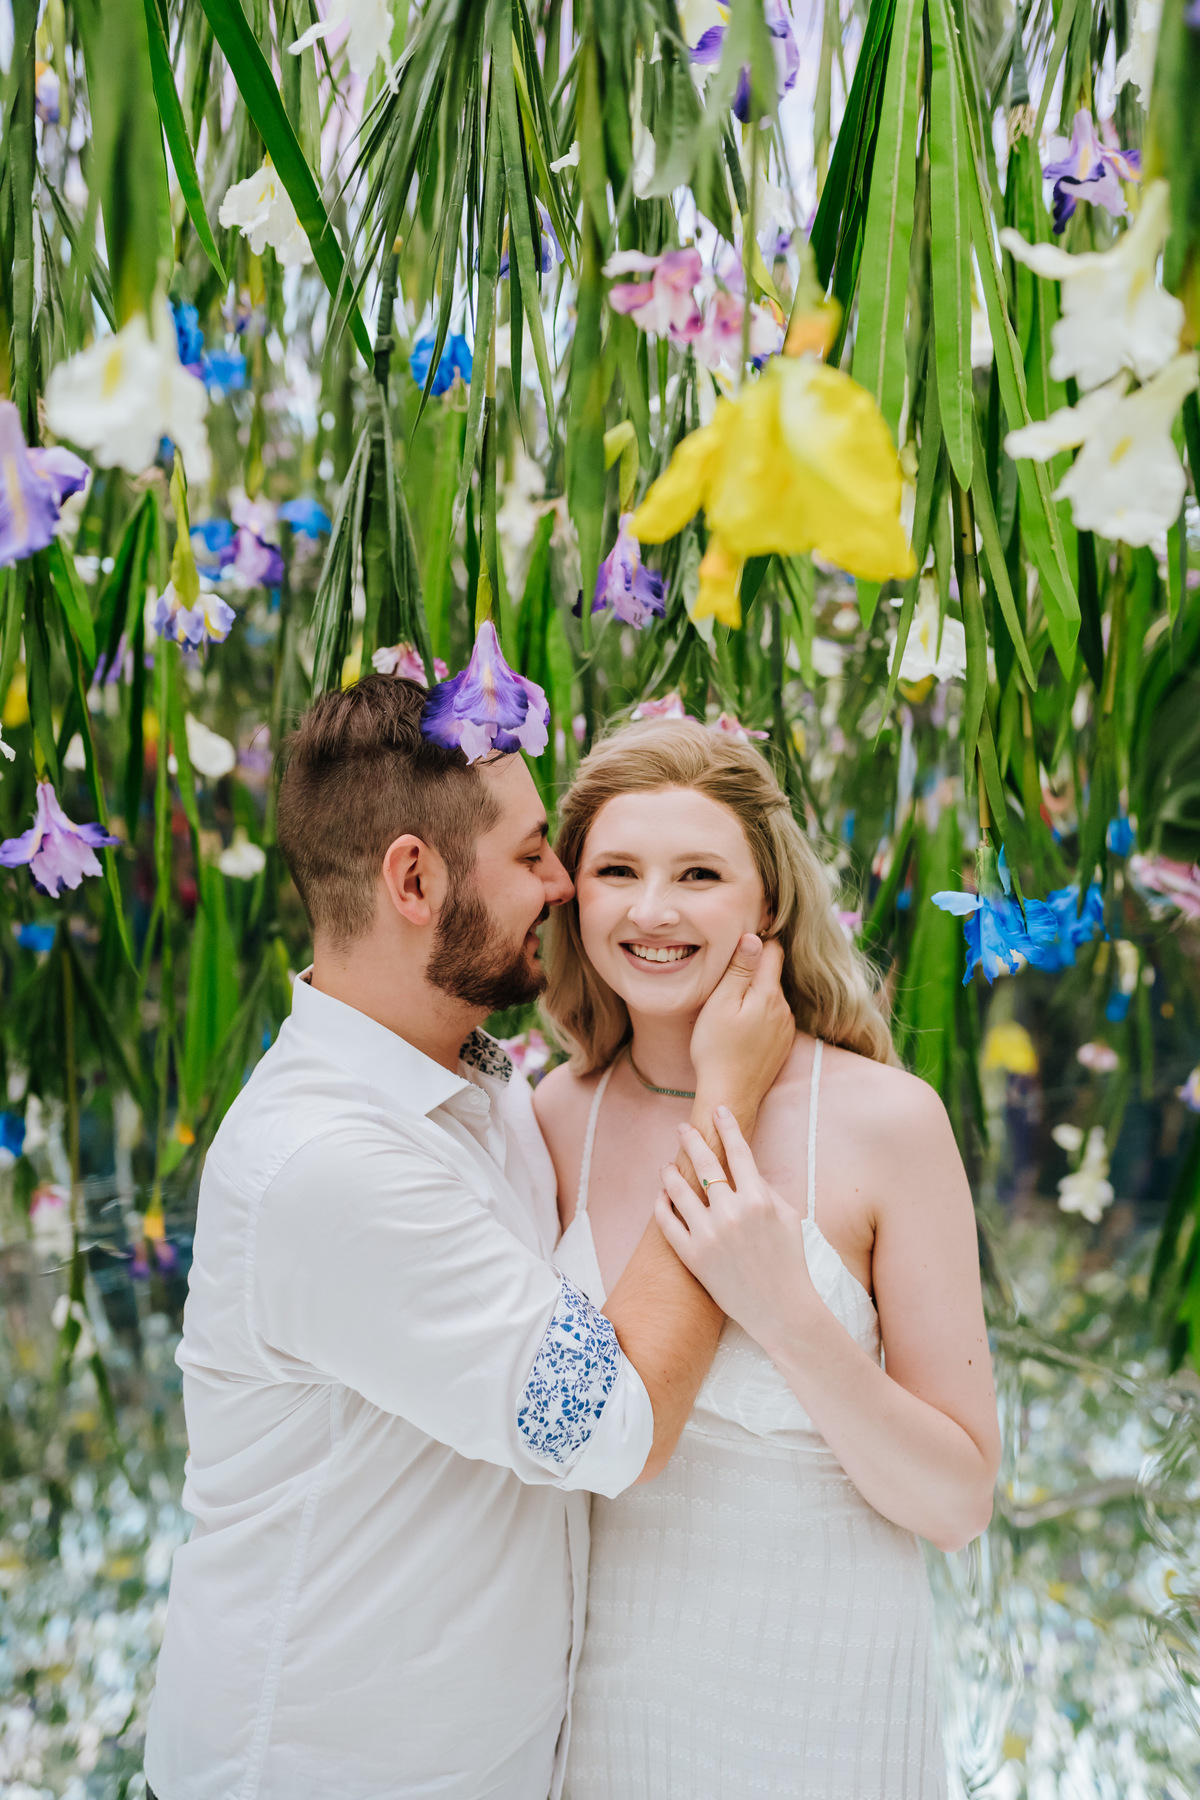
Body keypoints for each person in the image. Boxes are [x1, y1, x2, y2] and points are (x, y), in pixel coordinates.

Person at [142, 677, 794, 1800]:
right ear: (414, 880)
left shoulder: (481, 1092)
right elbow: (614, 1424)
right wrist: (723, 1096)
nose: (562, 883)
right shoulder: (329, 1165)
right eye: (532, 853)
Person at [534, 718, 1002, 1800]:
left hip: (830, 1713)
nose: (653, 910)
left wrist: (788, 1314)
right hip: (607, 1716)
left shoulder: (888, 1122)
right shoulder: (554, 1119)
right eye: (617, 871)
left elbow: (958, 1504)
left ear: (770, 906)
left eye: (699, 874)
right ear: (574, 896)